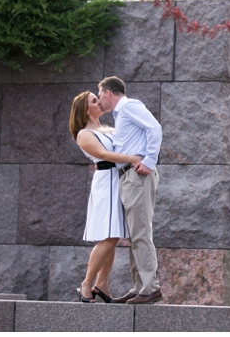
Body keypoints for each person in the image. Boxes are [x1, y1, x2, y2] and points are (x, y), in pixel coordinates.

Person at [69, 91, 143, 304]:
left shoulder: (108, 129)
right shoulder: (84, 134)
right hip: (107, 182)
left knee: (113, 235)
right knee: (109, 236)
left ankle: (101, 284)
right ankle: (86, 284)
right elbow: (102, 155)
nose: (98, 102)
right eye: (94, 100)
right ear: (85, 109)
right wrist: (131, 158)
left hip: (119, 180)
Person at [96, 76, 163, 304]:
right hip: (129, 177)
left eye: (99, 95)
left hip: (137, 175)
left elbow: (155, 127)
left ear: (108, 93)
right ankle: (139, 287)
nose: (98, 101)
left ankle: (149, 288)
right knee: (136, 234)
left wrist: (150, 160)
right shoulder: (121, 114)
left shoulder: (128, 106)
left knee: (141, 232)